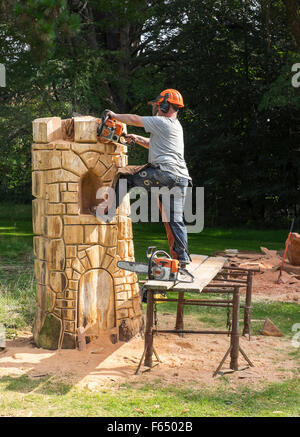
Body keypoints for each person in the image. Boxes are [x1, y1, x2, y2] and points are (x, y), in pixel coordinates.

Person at [97, 89, 192, 266]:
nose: (156, 108)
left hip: (165, 174)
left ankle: (106, 212)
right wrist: (137, 139)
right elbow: (155, 145)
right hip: (181, 179)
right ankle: (182, 258)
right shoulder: (175, 126)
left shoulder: (162, 122)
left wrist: (114, 115)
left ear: (164, 105)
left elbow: (134, 119)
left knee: (126, 176)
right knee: (174, 220)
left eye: (158, 105)